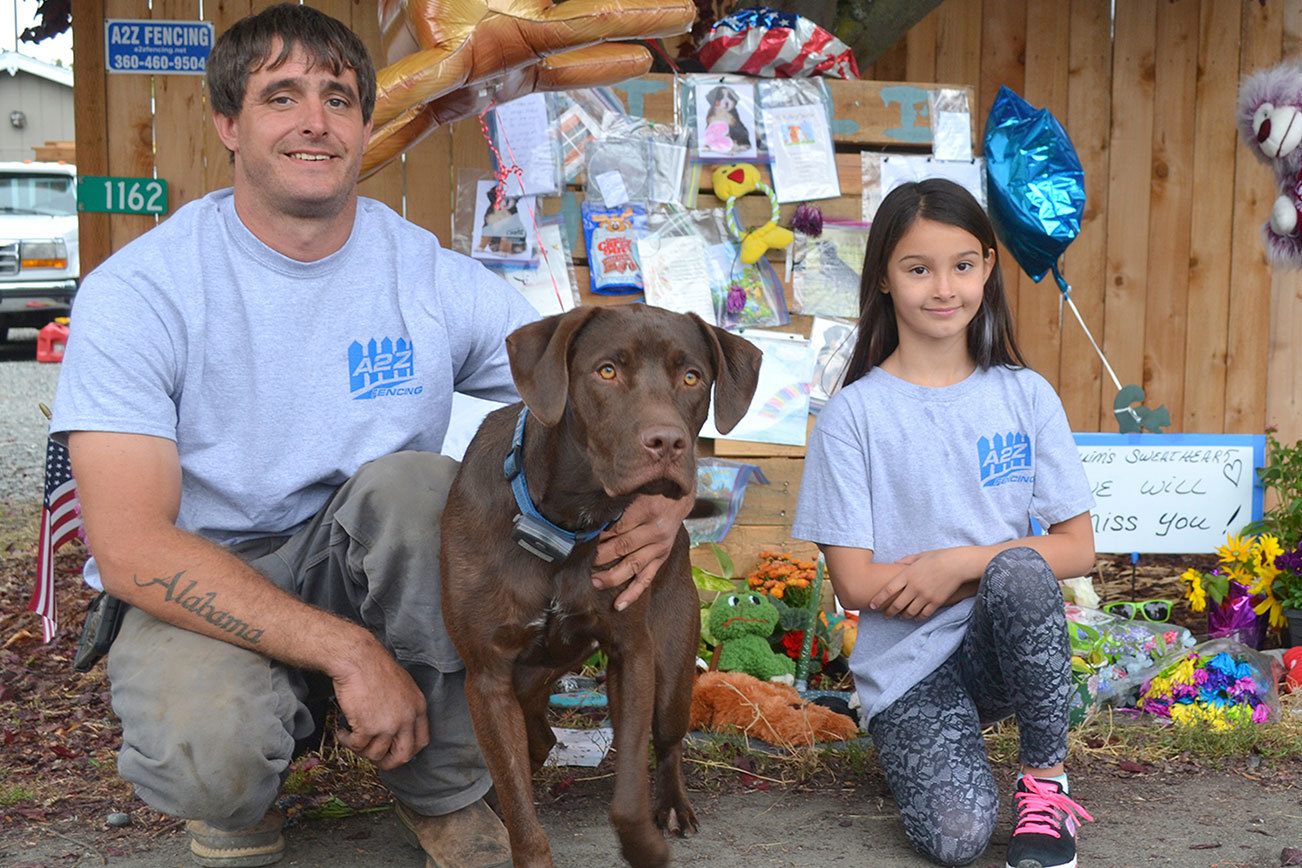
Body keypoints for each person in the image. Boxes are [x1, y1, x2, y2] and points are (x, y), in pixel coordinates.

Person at [50, 5, 691, 867]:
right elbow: (130, 549)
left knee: (418, 489)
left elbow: (599, 383)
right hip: (206, 571)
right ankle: (264, 740)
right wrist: (346, 652)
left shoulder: (421, 271)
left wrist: (663, 499)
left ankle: (449, 792)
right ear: (229, 124)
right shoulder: (142, 292)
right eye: (282, 97)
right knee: (211, 758)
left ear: (362, 125)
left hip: (366, 558)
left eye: (339, 99)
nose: (315, 121)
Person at [791, 178, 1097, 868]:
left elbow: (1076, 549)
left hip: (995, 647)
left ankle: (1045, 787)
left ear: (988, 269)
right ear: (883, 281)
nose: (943, 288)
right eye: (918, 268)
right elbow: (858, 583)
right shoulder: (854, 418)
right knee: (957, 842)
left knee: (1020, 571)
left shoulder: (1025, 395)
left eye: (963, 265)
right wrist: (967, 571)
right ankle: (914, 742)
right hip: (907, 671)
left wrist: (953, 566)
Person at [701, 84, 752, 154]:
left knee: (735, 129)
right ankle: (711, 145)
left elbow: (736, 131)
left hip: (737, 141)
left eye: (730, 97)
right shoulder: (712, 114)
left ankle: (735, 146)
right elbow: (709, 131)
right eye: (721, 97)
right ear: (713, 99)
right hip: (718, 142)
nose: (726, 101)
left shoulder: (732, 116)